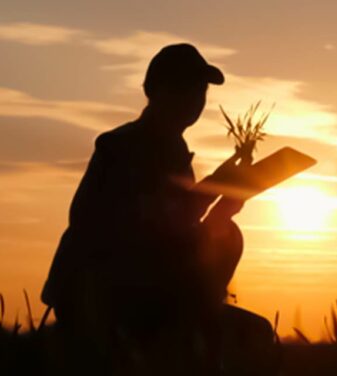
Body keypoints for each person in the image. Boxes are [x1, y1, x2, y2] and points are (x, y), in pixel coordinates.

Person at [40, 44, 275, 373]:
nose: (195, 99)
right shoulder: (122, 147)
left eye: (200, 90)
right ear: (156, 91)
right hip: (107, 297)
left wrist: (224, 208)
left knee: (252, 321)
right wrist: (216, 186)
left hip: (149, 293)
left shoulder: (172, 151)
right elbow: (148, 225)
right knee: (247, 336)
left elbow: (177, 230)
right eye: (186, 88)